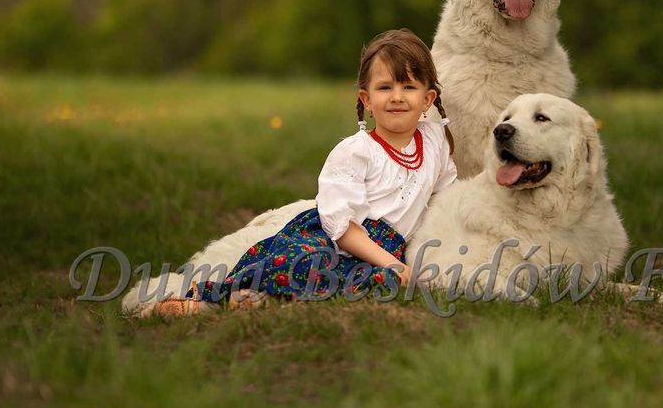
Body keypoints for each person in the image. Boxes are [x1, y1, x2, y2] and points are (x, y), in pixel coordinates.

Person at [154, 29, 457, 315]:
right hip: (338, 239)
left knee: (383, 284)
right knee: (308, 262)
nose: (396, 96)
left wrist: (400, 261)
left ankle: (260, 299)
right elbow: (339, 225)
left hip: (388, 249)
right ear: (366, 99)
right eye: (385, 87)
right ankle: (213, 297)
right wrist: (390, 261)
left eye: (408, 87)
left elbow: (448, 196)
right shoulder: (356, 152)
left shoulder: (434, 142)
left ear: (427, 99)